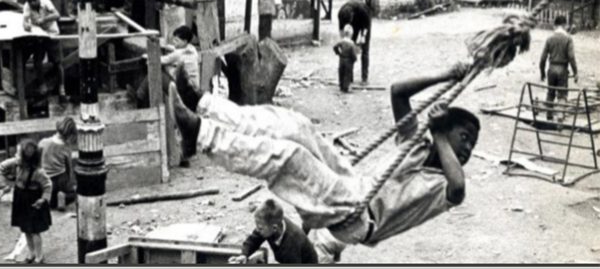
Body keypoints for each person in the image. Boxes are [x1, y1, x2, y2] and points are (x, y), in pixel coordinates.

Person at [169, 62, 478, 263]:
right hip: (351, 182)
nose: (468, 149)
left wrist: (439, 133)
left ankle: (201, 135)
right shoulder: (416, 143)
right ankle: (203, 104)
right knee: (295, 126)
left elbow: (459, 187)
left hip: (359, 217)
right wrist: (445, 75)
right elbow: (398, 93)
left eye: (472, 145)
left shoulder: (443, 186)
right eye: (464, 137)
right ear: (447, 128)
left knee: (292, 159)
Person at [0, 140, 52, 264]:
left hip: (34, 200)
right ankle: (31, 253)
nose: (16, 157)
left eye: (18, 155)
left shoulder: (39, 172)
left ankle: (39, 256)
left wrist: (43, 199)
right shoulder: (17, 164)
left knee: (35, 230)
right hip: (20, 197)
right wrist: (2, 184)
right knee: (26, 229)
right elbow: (0, 168)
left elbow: (48, 186)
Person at [229, 198, 318, 264]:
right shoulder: (271, 224)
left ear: (274, 228)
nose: (257, 230)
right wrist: (244, 254)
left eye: (260, 228)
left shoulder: (291, 242)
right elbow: (254, 239)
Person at [130, 25, 200, 109]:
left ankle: (139, 97)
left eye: (177, 40)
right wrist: (166, 47)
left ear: (185, 41)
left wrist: (146, 56)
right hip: (193, 91)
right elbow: (175, 50)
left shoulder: (178, 55)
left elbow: (159, 60)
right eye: (174, 39)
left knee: (156, 73)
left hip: (184, 93)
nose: (174, 42)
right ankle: (140, 95)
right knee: (167, 70)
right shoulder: (192, 49)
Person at [21, 0, 63, 96]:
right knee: (37, 60)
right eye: (30, 1)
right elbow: (24, 20)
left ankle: (61, 86)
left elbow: (57, 15)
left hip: (52, 33)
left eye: (34, 0)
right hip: (40, 35)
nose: (32, 3)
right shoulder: (27, 6)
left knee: (57, 61)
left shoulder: (46, 2)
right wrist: (26, 25)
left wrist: (44, 19)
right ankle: (42, 85)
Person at [539, 15, 578, 122]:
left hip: (551, 69)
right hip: (562, 69)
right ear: (565, 25)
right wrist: (575, 72)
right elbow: (571, 57)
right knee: (562, 95)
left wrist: (542, 72)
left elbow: (542, 58)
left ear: (555, 25)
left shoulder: (550, 38)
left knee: (550, 93)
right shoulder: (568, 39)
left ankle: (549, 115)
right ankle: (560, 116)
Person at [38, 117, 77, 211]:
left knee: (45, 196)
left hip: (46, 179)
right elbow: (69, 168)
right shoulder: (66, 148)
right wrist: (70, 183)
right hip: (60, 179)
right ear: (69, 134)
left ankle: (50, 201)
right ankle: (64, 197)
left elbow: (36, 160)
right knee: (74, 194)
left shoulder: (43, 142)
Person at [337, 0, 371, 83]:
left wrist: (363, 36)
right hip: (352, 27)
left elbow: (366, 26)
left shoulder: (363, 10)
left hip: (363, 22)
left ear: (352, 14)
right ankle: (349, 76)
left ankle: (364, 77)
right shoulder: (341, 14)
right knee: (349, 49)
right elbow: (341, 30)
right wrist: (344, 42)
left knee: (365, 50)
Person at [334, 25, 358, 93]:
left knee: (341, 72)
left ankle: (341, 85)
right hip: (349, 60)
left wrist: (338, 53)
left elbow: (335, 46)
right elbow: (353, 53)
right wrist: (355, 59)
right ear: (351, 34)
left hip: (342, 59)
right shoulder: (351, 44)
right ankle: (346, 87)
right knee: (347, 74)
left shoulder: (341, 41)